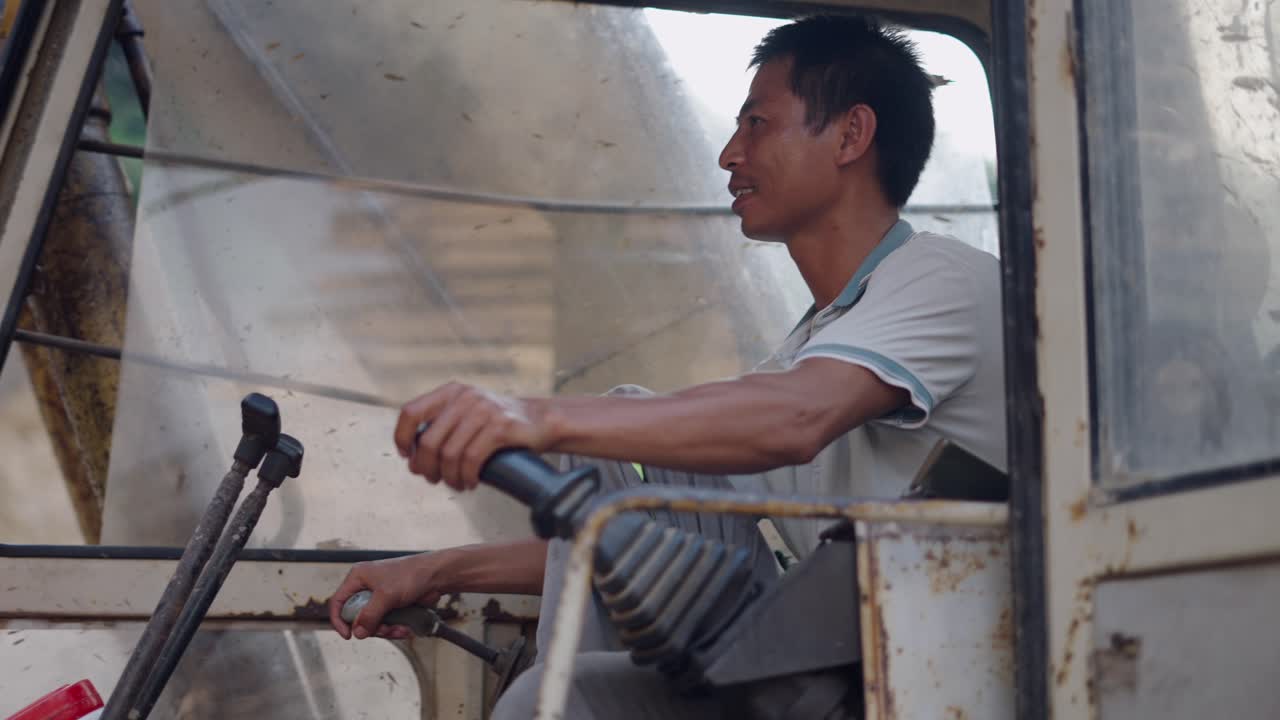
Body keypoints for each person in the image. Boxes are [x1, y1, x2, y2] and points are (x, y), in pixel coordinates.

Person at [328, 13, 1005, 719]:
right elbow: (622, 535)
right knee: (563, 668)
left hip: (931, 681)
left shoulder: (938, 283)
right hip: (834, 666)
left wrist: (531, 417)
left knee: (624, 445)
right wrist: (434, 572)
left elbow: (798, 419)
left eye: (757, 124)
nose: (727, 154)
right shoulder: (815, 346)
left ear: (850, 136)